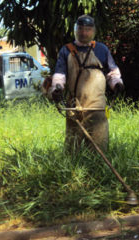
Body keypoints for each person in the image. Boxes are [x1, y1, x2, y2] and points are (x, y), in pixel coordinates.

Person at [49, 15, 124, 152]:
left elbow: (112, 72)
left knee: (99, 145)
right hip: (74, 106)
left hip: (97, 107)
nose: (84, 33)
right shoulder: (66, 50)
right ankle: (74, 171)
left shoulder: (101, 49)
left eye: (88, 29)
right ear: (75, 30)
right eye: (81, 29)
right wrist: (57, 88)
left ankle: (97, 170)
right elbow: (60, 75)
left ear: (93, 31)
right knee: (73, 147)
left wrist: (117, 84)